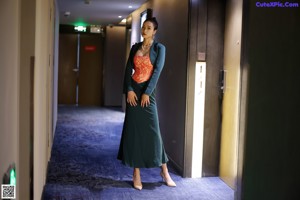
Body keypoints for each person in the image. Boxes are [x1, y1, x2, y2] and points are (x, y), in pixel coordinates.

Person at [117, 17, 176, 190]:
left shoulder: (159, 48)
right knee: (134, 132)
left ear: (155, 31)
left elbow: (157, 71)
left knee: (154, 132)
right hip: (133, 92)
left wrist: (148, 93)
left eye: (149, 28)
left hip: (148, 93)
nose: (145, 30)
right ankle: (136, 174)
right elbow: (129, 69)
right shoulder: (135, 47)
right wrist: (128, 88)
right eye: (144, 27)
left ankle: (164, 172)